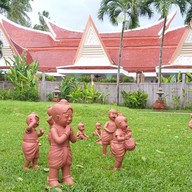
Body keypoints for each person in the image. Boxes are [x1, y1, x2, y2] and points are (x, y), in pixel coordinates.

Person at [47, 99, 77, 187]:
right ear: (57, 117)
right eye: (67, 117)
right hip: (56, 150)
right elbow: (58, 140)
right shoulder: (54, 128)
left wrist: (71, 133)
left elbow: (74, 140)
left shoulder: (67, 128)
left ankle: (66, 177)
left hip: (66, 150)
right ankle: (52, 179)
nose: (70, 119)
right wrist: (67, 132)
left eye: (71, 116)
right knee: (55, 165)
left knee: (67, 164)